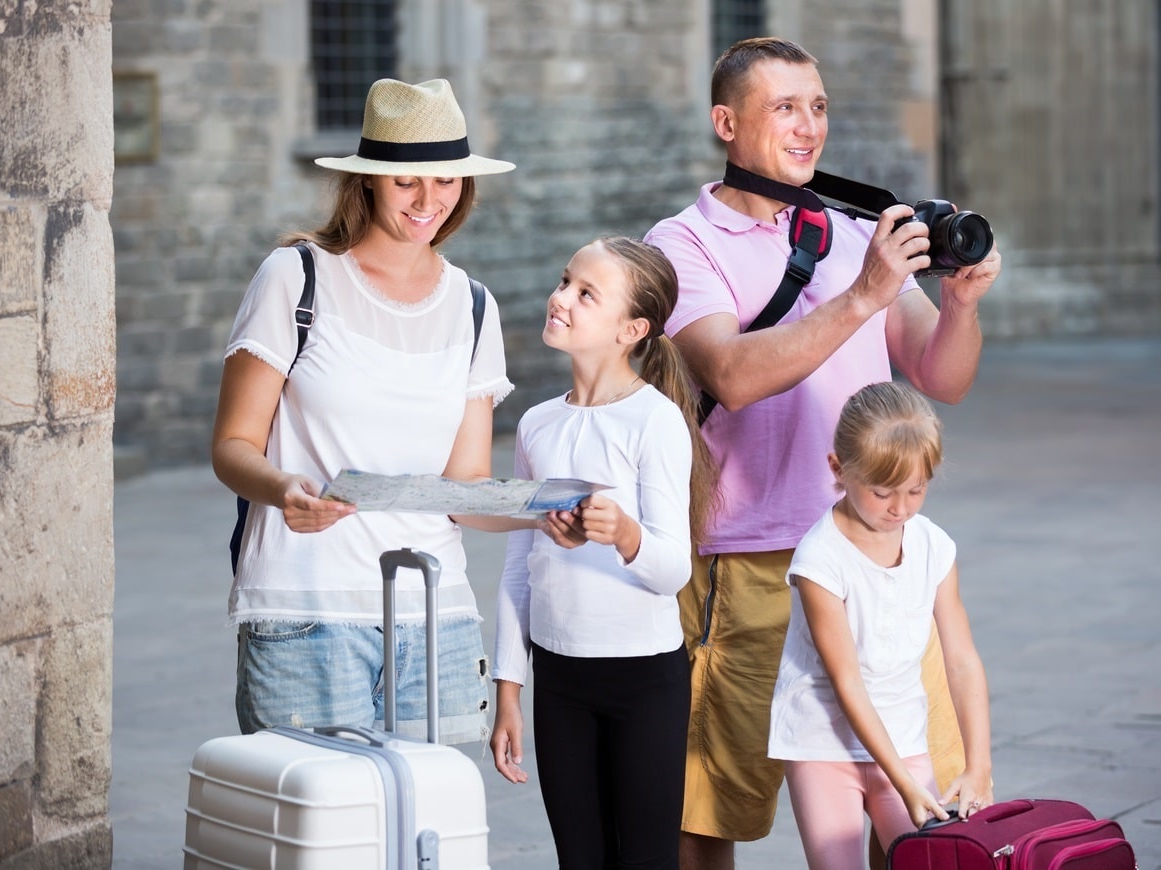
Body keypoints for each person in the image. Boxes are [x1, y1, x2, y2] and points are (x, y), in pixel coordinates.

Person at [643, 37, 1002, 869]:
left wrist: (959, 306)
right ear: (725, 122)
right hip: (749, 562)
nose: (808, 128)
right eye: (784, 108)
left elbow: (940, 377)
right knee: (709, 810)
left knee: (915, 797)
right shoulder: (682, 242)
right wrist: (862, 295)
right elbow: (729, 374)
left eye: (818, 107)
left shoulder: (846, 227)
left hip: (876, 549)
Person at [211, 78, 515, 744]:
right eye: (407, 181)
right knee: (322, 839)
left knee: (427, 836)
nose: (429, 200)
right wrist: (281, 487)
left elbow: (460, 489)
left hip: (437, 613)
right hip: (305, 610)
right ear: (369, 181)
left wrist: (543, 517)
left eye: (446, 181)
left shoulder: (473, 305)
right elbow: (233, 444)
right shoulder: (295, 277)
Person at [489, 237, 718, 869]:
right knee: (579, 861)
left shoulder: (654, 421)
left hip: (644, 679)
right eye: (565, 282)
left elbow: (673, 568)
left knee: (645, 860)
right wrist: (508, 689)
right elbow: (519, 566)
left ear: (632, 329)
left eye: (585, 293)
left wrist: (624, 533)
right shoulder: (537, 425)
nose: (560, 299)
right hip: (558, 681)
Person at [770, 381, 993, 869]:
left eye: (917, 489)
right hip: (821, 745)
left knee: (932, 861)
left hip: (905, 739)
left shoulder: (934, 546)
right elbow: (847, 681)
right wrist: (902, 783)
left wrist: (980, 767)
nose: (901, 508)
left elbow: (961, 658)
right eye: (882, 491)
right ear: (838, 469)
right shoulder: (819, 560)